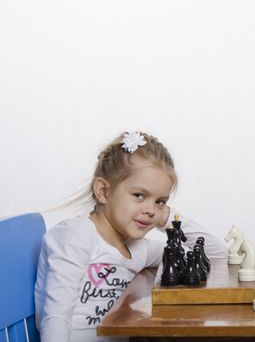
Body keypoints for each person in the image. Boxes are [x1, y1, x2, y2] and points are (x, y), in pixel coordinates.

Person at [35, 131, 226, 342]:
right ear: (104, 191)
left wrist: (167, 218)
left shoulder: (138, 250)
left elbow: (216, 255)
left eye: (159, 201)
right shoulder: (77, 236)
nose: (151, 210)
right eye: (139, 196)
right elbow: (55, 316)